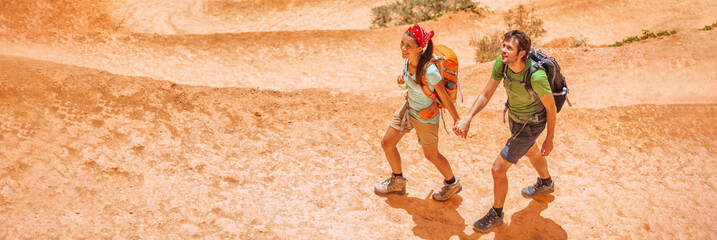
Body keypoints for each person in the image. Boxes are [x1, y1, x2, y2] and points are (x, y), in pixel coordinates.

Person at [453, 30, 557, 232]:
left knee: (498, 169)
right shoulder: (501, 64)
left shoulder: (536, 77)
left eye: (509, 47)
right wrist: (468, 118)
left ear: (522, 53)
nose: (503, 50)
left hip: (531, 124)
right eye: (503, 45)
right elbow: (486, 93)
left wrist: (550, 138)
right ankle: (546, 182)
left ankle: (496, 214)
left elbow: (551, 108)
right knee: (531, 151)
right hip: (515, 119)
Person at [373, 24, 463, 202]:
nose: (403, 48)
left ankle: (452, 183)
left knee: (431, 155)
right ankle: (398, 181)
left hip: (426, 117)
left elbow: (444, 97)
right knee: (387, 143)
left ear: (420, 48)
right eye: (402, 44)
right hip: (408, 110)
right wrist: (402, 81)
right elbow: (413, 84)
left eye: (408, 46)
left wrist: (457, 120)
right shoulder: (409, 61)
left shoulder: (430, 71)